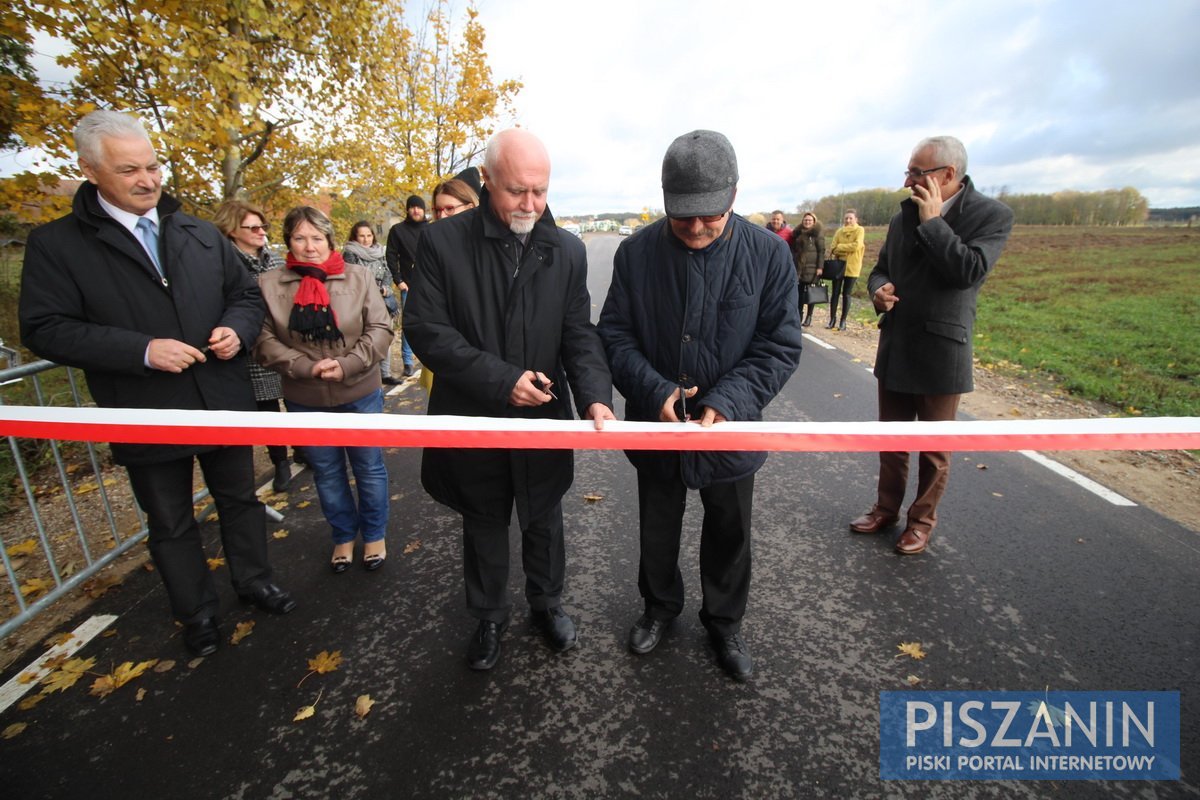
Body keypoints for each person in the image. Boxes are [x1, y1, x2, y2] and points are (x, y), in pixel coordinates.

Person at [18, 110, 295, 657]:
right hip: (143, 407)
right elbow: (45, 328)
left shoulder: (196, 232)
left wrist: (235, 333)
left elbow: (244, 295)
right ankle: (196, 613)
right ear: (91, 170)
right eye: (129, 170)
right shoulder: (57, 245)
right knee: (170, 520)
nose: (148, 180)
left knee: (239, 499)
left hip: (221, 398)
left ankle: (254, 581)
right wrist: (142, 351)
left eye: (152, 166)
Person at [404, 128, 615, 671]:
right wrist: (501, 380)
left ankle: (547, 604)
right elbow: (428, 331)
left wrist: (594, 396)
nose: (531, 204)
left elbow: (578, 334)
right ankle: (489, 616)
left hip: (542, 414)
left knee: (544, 514)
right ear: (487, 181)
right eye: (518, 191)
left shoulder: (565, 250)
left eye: (541, 191)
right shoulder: (442, 243)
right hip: (472, 413)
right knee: (484, 518)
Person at [597, 130, 802, 681]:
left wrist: (729, 401)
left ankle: (725, 623)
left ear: (733, 196)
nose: (694, 227)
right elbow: (614, 335)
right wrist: (655, 390)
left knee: (730, 534)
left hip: (731, 430)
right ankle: (659, 607)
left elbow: (779, 345)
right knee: (657, 528)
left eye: (707, 215)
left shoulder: (769, 255)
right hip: (656, 426)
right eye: (681, 215)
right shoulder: (636, 253)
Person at [850, 135, 1014, 555]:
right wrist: (878, 290)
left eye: (915, 172)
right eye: (908, 170)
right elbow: (880, 268)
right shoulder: (900, 215)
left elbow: (968, 271)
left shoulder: (991, 215)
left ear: (947, 175)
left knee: (935, 451)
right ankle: (885, 508)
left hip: (944, 350)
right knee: (891, 440)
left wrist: (933, 222)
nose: (907, 180)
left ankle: (920, 522)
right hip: (898, 343)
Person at [255, 207, 394, 572]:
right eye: (300, 238)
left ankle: (375, 534)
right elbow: (265, 341)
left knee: (368, 467)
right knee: (328, 472)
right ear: (288, 241)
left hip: (359, 390)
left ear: (330, 241)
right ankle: (343, 535)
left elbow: (379, 329)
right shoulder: (269, 284)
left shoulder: (358, 276)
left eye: (317, 238)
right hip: (305, 395)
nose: (310, 247)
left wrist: (347, 364)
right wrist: (306, 367)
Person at [212, 199, 294, 492]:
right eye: (253, 227)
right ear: (232, 230)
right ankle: (280, 461)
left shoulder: (273, 259)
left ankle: (304, 448)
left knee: (296, 397)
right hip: (250, 343)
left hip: (284, 338)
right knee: (267, 406)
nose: (261, 232)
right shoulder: (222, 265)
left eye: (263, 226)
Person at [343, 221, 401, 384]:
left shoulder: (380, 252)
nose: (366, 239)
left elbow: (388, 273)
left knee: (385, 336)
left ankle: (385, 373)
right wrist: (373, 289)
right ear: (355, 237)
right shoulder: (350, 253)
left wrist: (385, 288)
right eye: (362, 235)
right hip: (360, 302)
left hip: (382, 300)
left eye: (369, 235)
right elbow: (353, 277)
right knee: (365, 339)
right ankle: (368, 375)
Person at [385, 195, 427, 377]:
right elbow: (391, 256)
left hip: (432, 284)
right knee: (409, 325)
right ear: (408, 210)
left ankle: (429, 359)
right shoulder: (398, 230)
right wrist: (399, 280)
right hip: (409, 286)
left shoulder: (431, 229)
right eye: (412, 207)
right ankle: (408, 361)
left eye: (419, 207)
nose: (416, 210)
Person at [827, 209, 865, 330]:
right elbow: (833, 247)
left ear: (856, 220)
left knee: (846, 294)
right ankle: (832, 319)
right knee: (835, 293)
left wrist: (840, 247)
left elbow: (857, 245)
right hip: (838, 266)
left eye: (850, 218)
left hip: (852, 266)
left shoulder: (860, 230)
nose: (848, 220)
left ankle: (843, 321)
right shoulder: (839, 231)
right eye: (846, 218)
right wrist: (840, 248)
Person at [791, 211, 825, 327]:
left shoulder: (817, 234)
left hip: (812, 267)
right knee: (799, 293)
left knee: (811, 293)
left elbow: (821, 251)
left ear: (814, 222)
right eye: (805, 220)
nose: (807, 222)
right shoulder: (797, 233)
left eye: (810, 220)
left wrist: (820, 267)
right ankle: (799, 315)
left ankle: (809, 316)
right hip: (799, 267)